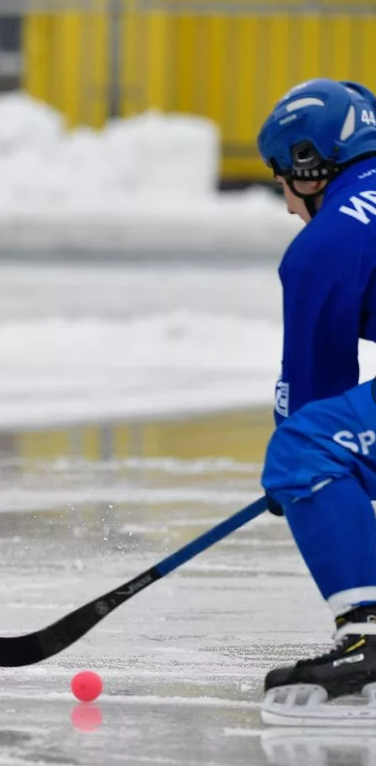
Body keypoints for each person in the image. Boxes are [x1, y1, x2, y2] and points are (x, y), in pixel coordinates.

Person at [254, 78, 376, 724]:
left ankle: (368, 637)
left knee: (307, 450)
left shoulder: (324, 244)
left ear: (309, 163)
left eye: (283, 179)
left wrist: (296, 483)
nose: (287, 202)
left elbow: (313, 397)